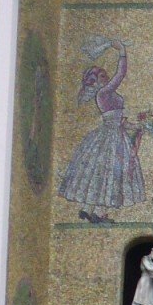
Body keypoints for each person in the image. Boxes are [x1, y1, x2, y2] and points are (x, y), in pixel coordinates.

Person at [58, 41, 143, 223]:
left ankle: (89, 210)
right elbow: (120, 75)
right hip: (110, 137)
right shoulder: (103, 94)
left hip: (116, 133)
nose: (107, 78)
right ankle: (97, 212)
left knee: (106, 173)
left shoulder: (108, 94)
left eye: (106, 75)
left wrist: (138, 125)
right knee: (108, 172)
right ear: (95, 82)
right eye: (102, 76)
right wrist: (122, 53)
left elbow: (120, 121)